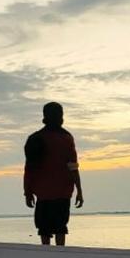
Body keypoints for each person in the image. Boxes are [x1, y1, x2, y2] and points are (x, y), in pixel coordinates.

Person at [23, 101, 83, 245]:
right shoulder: (66, 138)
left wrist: (28, 192)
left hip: (44, 193)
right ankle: (59, 256)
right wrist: (79, 190)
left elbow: (29, 169)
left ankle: (47, 257)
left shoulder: (35, 138)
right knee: (60, 227)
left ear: (45, 116)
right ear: (61, 116)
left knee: (45, 229)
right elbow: (73, 167)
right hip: (61, 193)